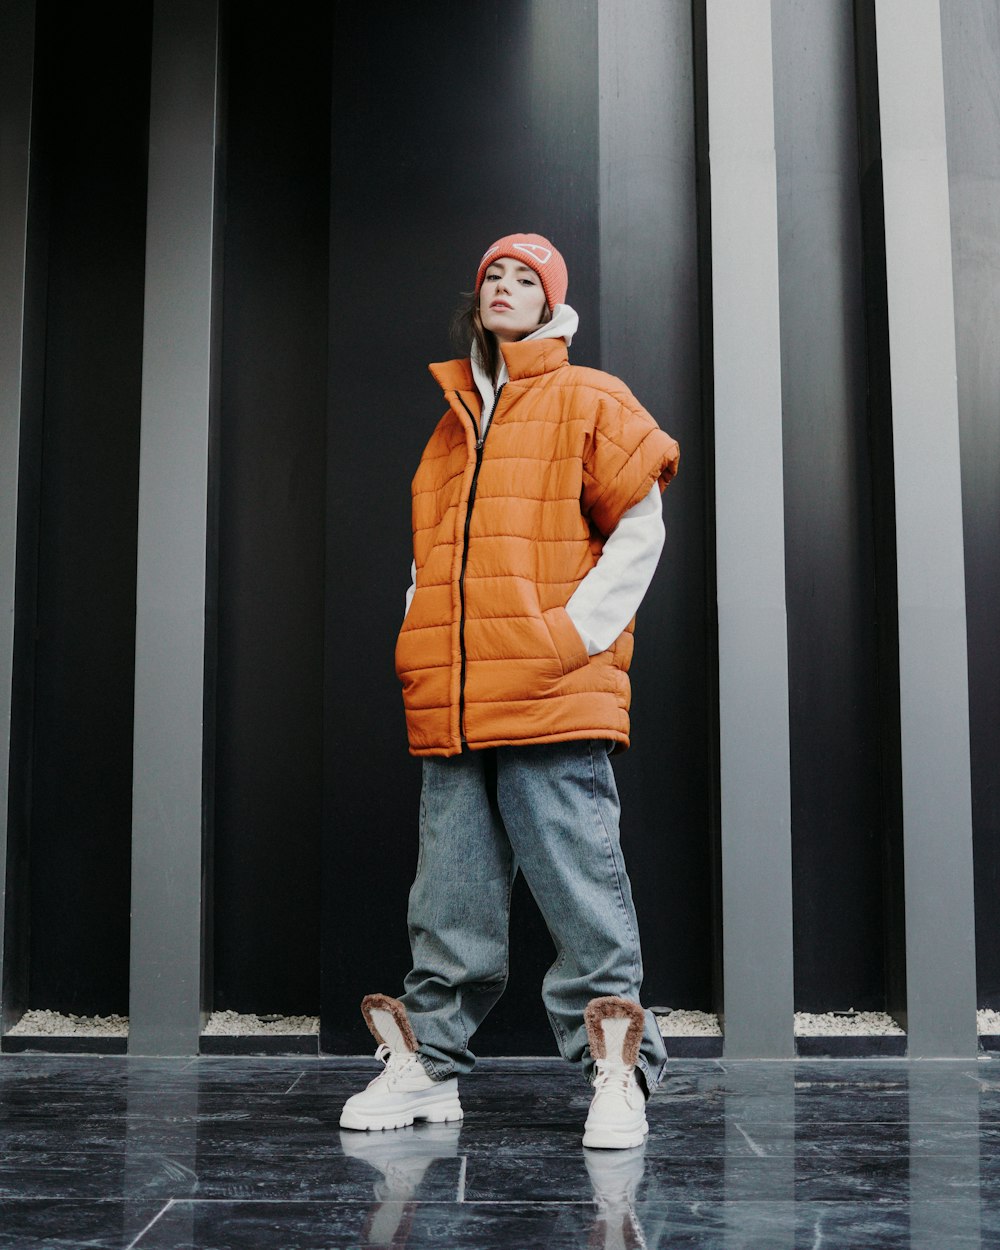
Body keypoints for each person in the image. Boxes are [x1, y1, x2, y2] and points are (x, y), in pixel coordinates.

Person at [340, 233, 680, 1149]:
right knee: (448, 896)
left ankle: (618, 1073)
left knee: (580, 889)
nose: (507, 286)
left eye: (528, 278)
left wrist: (571, 638)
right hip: (455, 697)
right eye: (495, 274)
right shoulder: (451, 424)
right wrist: (417, 634)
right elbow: (432, 555)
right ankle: (429, 1072)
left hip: (550, 690)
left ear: (552, 305)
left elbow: (640, 528)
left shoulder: (589, 397)